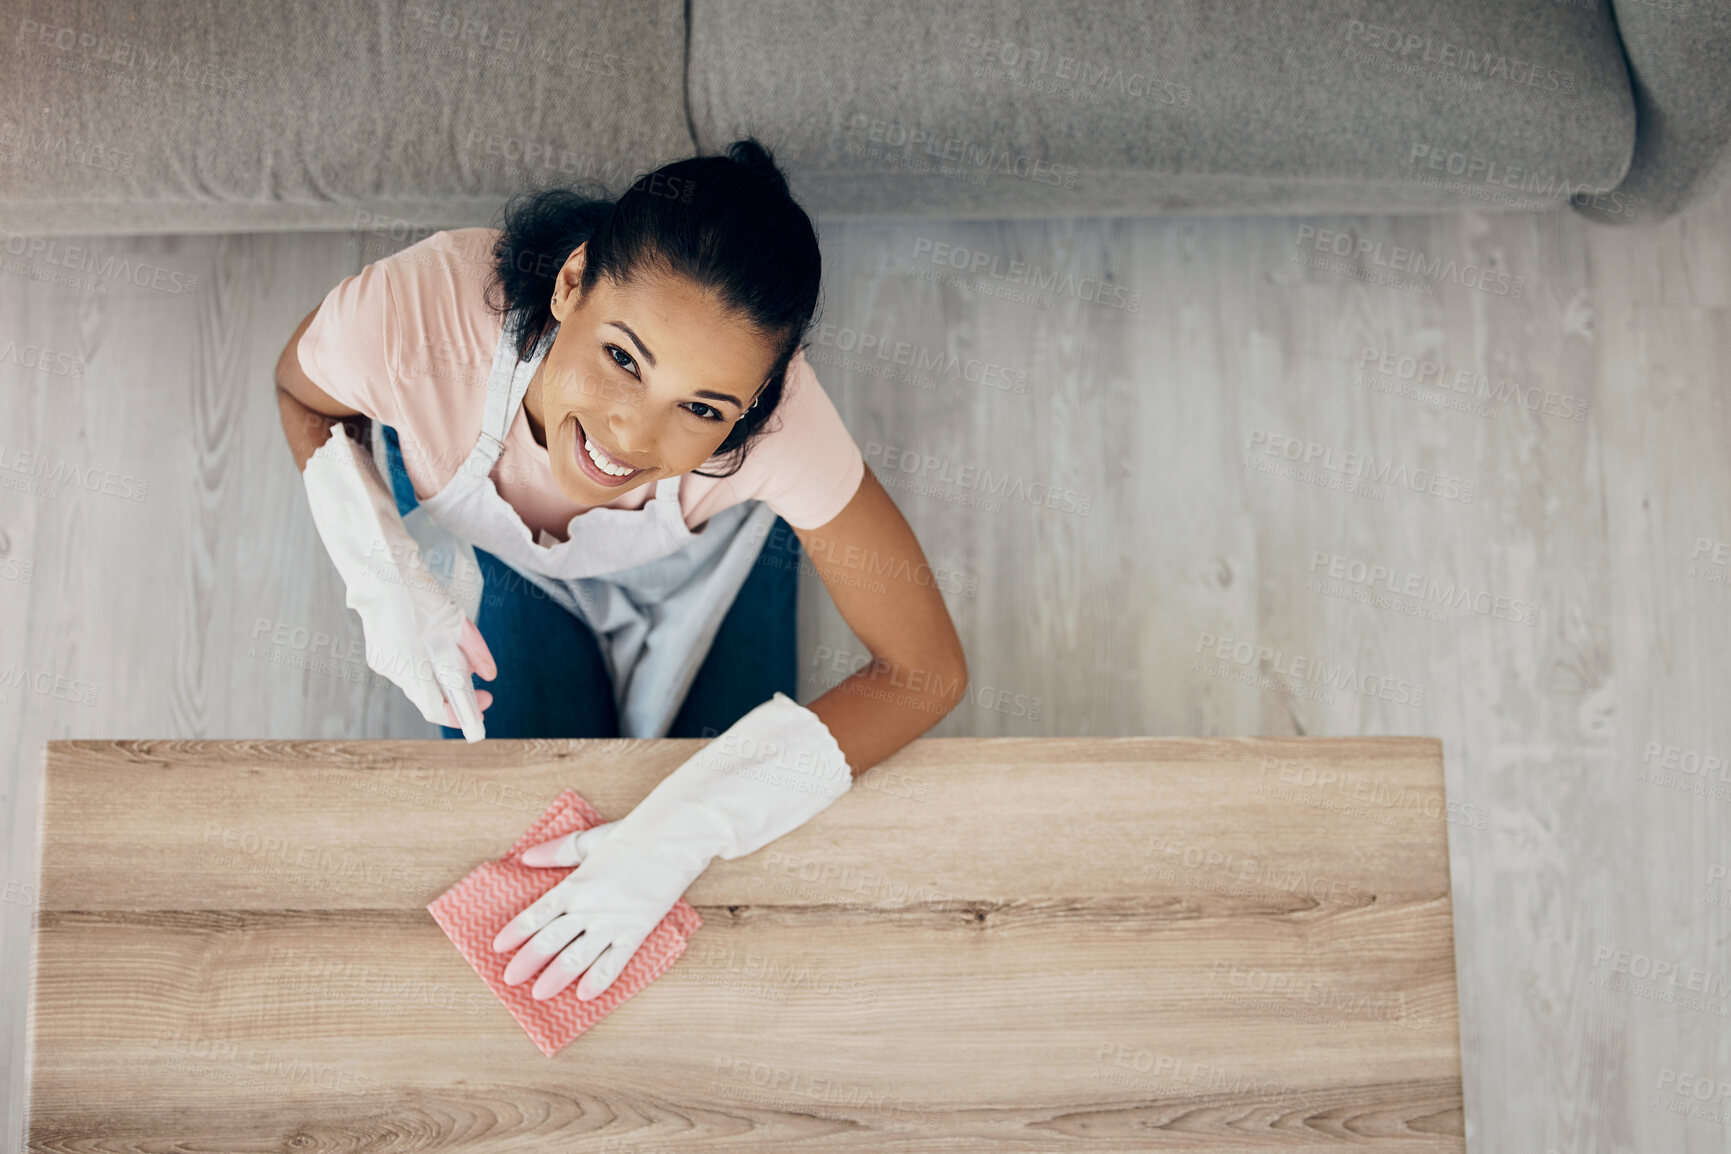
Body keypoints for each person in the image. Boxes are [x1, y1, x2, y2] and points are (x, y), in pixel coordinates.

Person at [274, 139, 969, 1003]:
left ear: (754, 406)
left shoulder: (786, 425)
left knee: (720, 888)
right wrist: (380, 567)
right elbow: (302, 394)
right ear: (572, 283)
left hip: (694, 567)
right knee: (533, 852)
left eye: (702, 408)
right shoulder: (419, 317)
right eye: (623, 358)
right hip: (501, 561)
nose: (631, 438)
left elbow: (925, 670)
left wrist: (686, 829)